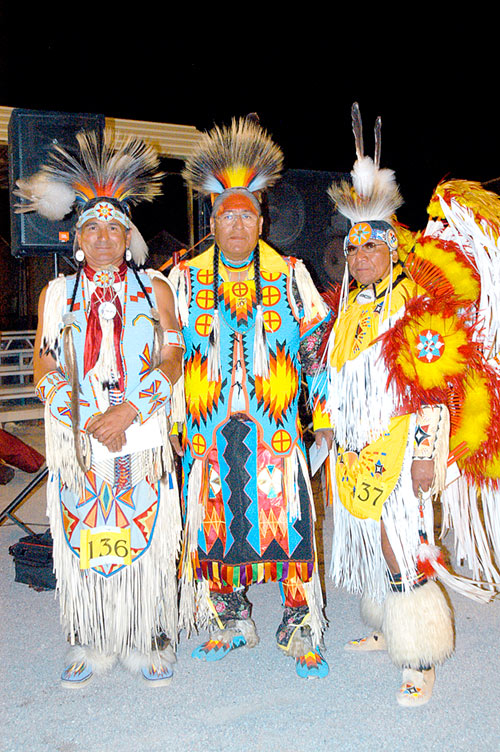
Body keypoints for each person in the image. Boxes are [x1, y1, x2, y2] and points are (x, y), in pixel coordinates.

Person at [17, 131, 184, 687]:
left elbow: (173, 356)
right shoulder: (58, 295)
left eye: (115, 226)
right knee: (82, 530)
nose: (105, 237)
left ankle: (143, 636)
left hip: (138, 432)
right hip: (80, 436)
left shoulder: (156, 287)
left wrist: (129, 411)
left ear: (128, 234)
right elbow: (45, 367)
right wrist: (86, 416)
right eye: (93, 226)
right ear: (77, 236)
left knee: (143, 531)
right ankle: (91, 637)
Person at [169, 117, 332, 678]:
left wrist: (327, 419)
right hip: (207, 430)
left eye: (246, 215)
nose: (236, 224)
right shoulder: (185, 280)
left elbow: (317, 353)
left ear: (261, 220)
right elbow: (166, 357)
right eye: (226, 215)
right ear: (211, 220)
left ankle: (297, 620)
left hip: (276, 429)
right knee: (216, 517)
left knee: (284, 515)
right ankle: (229, 617)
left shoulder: (290, 276)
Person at [313, 104, 460, 706]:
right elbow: (328, 378)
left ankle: (420, 654)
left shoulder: (414, 309)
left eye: (371, 249)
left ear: (391, 251)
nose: (361, 258)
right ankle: (386, 624)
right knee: (370, 541)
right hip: (353, 454)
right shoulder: (346, 309)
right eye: (353, 251)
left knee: (403, 542)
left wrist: (426, 454)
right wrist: (323, 431)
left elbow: (434, 388)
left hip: (400, 451)